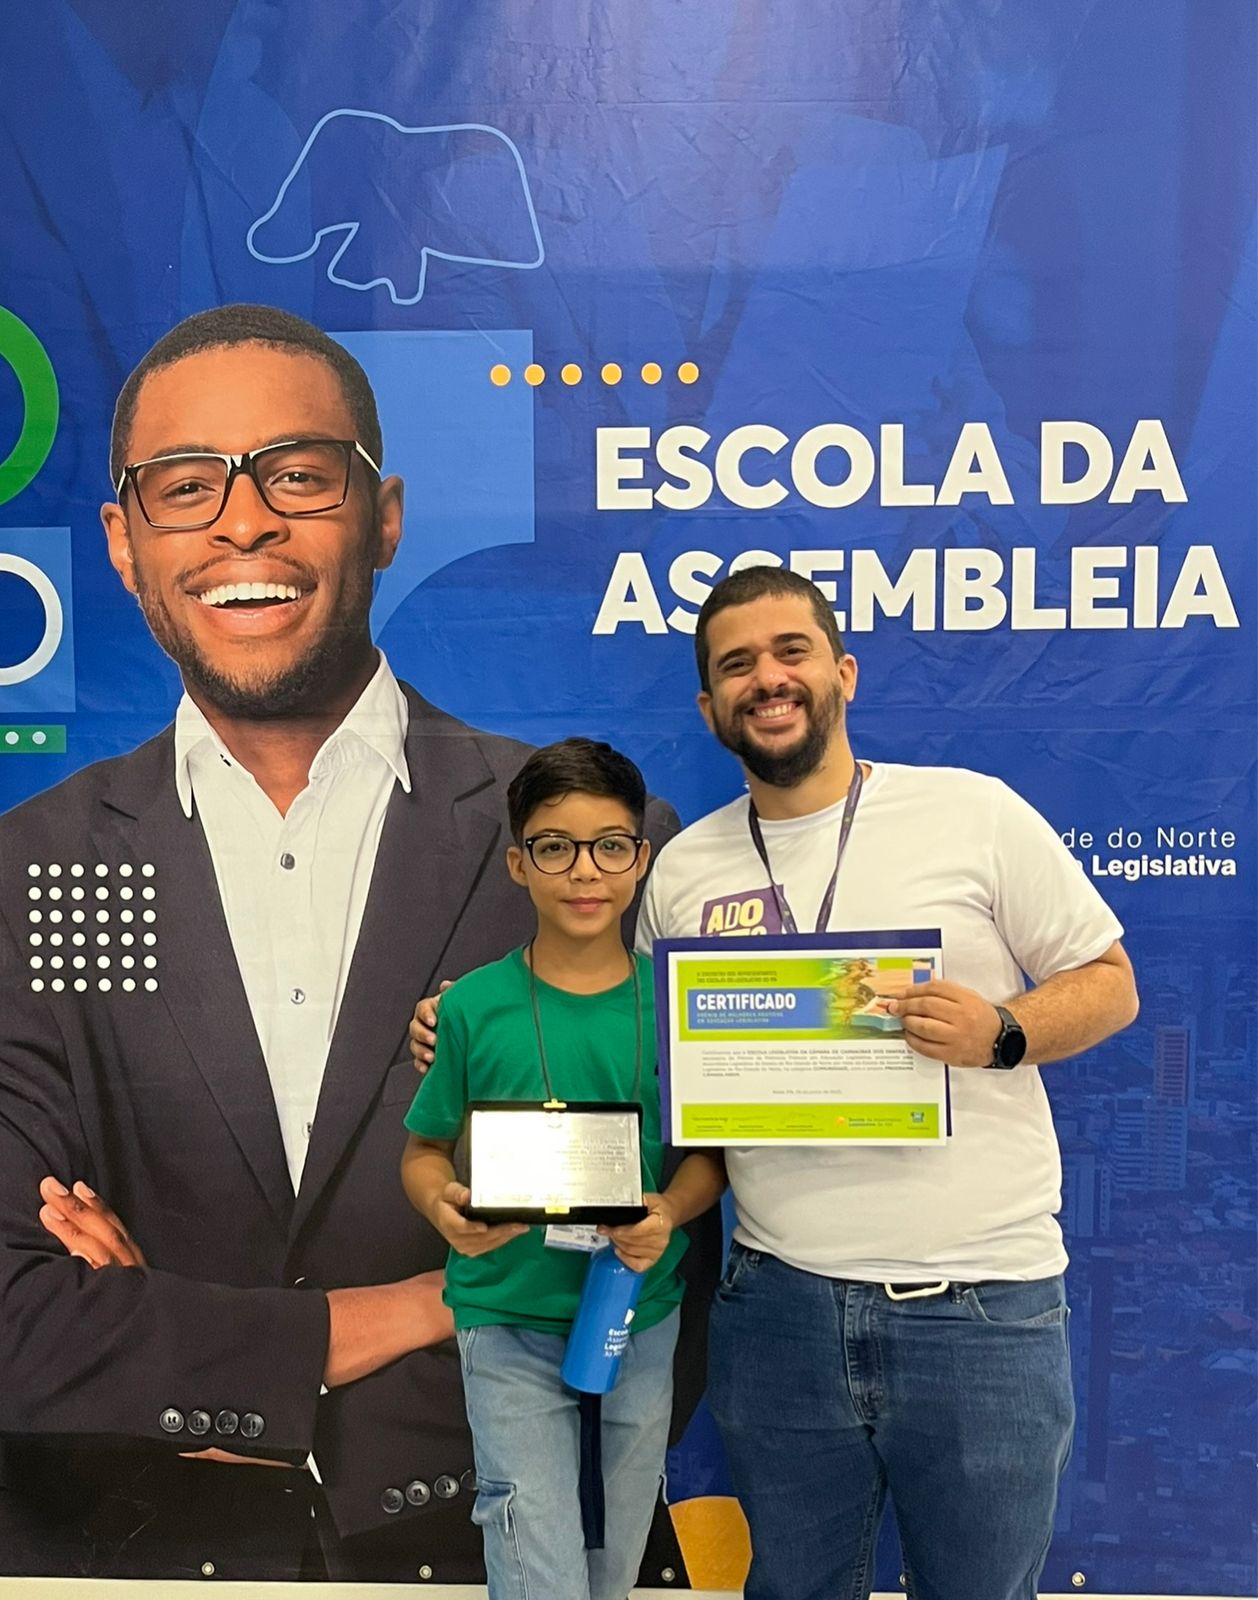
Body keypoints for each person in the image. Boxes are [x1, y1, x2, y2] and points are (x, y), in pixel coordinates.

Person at [0, 304, 685, 1582]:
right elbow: (15, 1313)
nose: (242, 523)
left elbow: (654, 1273)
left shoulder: (598, 843)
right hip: (122, 1558)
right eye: (185, 485)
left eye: (298, 475)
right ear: (124, 544)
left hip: (508, 1545)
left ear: (384, 516)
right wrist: (429, 1306)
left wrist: (214, 1374)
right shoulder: (24, 871)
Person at [635, 566, 1140, 1600]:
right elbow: (636, 1046)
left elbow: (1111, 983)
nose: (767, 679)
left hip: (979, 1309)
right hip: (778, 1310)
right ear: (709, 705)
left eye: (791, 651)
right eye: (736, 665)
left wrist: (1002, 1031)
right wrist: (460, 1027)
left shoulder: (971, 814)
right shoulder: (682, 868)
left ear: (844, 672)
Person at [401, 738, 726, 1600]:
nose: (585, 871)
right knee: (534, 1555)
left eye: (610, 846)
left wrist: (668, 1210)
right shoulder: (473, 1007)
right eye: (555, 847)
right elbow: (423, 1152)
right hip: (506, 1311)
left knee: (616, 1557)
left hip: (636, 1309)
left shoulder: (678, 1006)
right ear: (518, 863)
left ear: (641, 860)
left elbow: (711, 1158)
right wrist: (443, 1209)